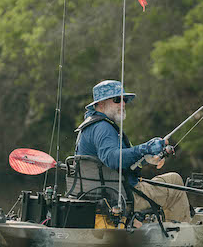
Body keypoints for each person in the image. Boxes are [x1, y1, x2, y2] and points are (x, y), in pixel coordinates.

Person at [75, 80, 191, 223]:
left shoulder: (89, 127)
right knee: (174, 180)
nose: (123, 104)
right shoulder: (103, 128)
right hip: (122, 197)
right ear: (101, 104)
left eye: (125, 100)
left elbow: (117, 162)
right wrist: (145, 148)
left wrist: (145, 157)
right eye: (117, 100)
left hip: (102, 195)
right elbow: (112, 158)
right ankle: (181, 233)